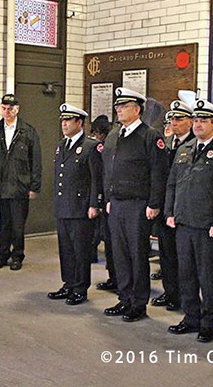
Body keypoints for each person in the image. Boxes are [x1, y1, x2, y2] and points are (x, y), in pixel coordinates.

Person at [165, 99, 213, 343]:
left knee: (207, 277)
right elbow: (172, 184)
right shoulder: (185, 149)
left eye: (202, 120)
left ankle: (208, 322)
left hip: (208, 227)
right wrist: (169, 212)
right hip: (184, 223)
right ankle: (191, 317)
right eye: (195, 120)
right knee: (185, 274)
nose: (197, 124)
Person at [101, 87, 168, 322]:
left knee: (137, 256)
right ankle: (124, 298)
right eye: (118, 106)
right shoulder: (114, 135)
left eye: (124, 106)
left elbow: (158, 173)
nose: (119, 109)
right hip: (116, 204)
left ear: (137, 110)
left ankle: (138, 303)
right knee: (119, 255)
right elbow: (108, 170)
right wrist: (108, 199)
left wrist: (154, 203)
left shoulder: (150, 136)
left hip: (138, 205)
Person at [47, 104, 102, 305]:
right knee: (66, 249)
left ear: (79, 123)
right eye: (62, 120)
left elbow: (96, 178)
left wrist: (94, 204)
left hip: (80, 208)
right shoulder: (61, 145)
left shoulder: (91, 146)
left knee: (81, 250)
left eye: (68, 120)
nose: (64, 124)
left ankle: (80, 288)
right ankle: (68, 283)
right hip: (63, 206)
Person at [0, 94, 42, 271]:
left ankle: (17, 256)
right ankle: (2, 254)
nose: (6, 112)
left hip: (20, 185)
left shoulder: (28, 131)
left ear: (17, 109)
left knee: (17, 224)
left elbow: (35, 161)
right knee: (4, 222)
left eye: (10, 109)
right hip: (0, 185)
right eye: (4, 108)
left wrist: (34, 186)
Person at [151, 100, 194, 311]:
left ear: (191, 121)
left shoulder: (195, 144)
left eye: (179, 119)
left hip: (186, 211)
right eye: (172, 119)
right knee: (167, 255)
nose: (174, 123)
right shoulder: (167, 144)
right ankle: (170, 293)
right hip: (167, 209)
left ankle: (185, 299)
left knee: (184, 261)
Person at [89, 116, 117, 292]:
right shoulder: (106, 146)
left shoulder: (106, 147)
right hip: (106, 199)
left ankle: (117, 278)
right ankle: (113, 277)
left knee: (113, 243)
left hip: (112, 200)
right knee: (108, 241)